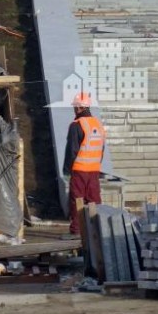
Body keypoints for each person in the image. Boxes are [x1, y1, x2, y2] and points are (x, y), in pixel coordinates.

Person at [62, 92, 106, 235]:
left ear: (79, 108)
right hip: (94, 170)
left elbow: (72, 150)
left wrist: (67, 170)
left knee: (77, 200)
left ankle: (77, 230)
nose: (74, 109)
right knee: (94, 200)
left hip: (80, 169)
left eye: (75, 107)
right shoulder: (98, 124)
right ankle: (96, 229)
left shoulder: (76, 125)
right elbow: (101, 148)